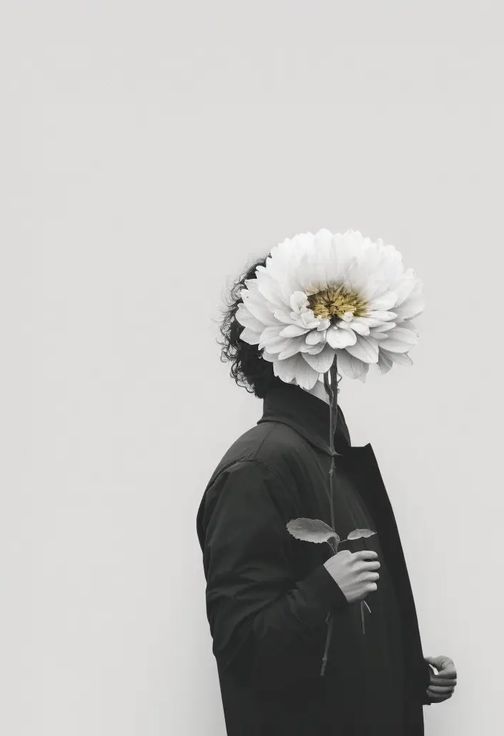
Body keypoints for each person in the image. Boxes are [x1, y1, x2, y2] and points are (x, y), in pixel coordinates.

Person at [196, 257, 457, 735]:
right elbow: (241, 648)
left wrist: (407, 675)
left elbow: (333, 646)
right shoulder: (258, 467)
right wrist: (321, 591)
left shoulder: (327, 457)